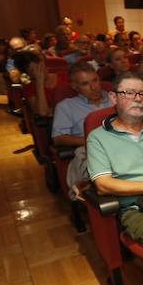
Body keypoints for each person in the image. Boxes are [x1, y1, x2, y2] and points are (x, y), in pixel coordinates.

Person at [86, 72, 143, 248]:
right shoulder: (98, 137)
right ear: (113, 97)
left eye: (142, 94)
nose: (137, 99)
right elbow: (103, 184)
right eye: (129, 93)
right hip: (136, 208)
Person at [51, 63, 113, 193]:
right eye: (85, 84)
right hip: (90, 150)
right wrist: (90, 140)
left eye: (95, 80)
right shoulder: (66, 106)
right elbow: (59, 138)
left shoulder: (115, 98)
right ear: (75, 87)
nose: (93, 87)